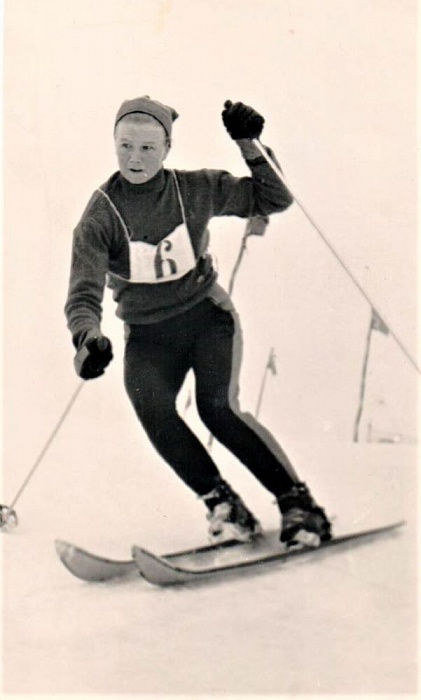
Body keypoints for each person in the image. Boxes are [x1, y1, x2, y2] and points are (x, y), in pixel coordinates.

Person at [65, 96, 332, 547]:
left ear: (167, 148)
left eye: (148, 148)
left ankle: (298, 504)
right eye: (126, 145)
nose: (135, 158)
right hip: (148, 335)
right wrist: (87, 338)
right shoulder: (100, 216)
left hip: (207, 319)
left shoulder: (194, 188)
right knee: (152, 408)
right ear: (114, 144)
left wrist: (250, 144)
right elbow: (83, 293)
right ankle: (225, 505)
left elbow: (274, 198)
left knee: (218, 409)